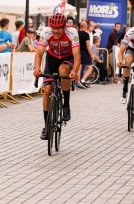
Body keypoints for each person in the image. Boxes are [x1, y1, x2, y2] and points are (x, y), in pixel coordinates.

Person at [33, 12, 81, 140]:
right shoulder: (46, 32)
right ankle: (47, 126)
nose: (56, 31)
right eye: (53, 27)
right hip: (52, 59)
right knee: (47, 90)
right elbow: (39, 53)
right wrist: (37, 68)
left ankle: (66, 105)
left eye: (59, 28)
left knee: (63, 70)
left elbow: (77, 55)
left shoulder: (72, 33)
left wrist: (75, 71)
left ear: (65, 26)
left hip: (67, 58)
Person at [77, 20, 94, 88]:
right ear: (85, 26)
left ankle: (78, 82)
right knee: (90, 67)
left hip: (77, 51)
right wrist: (91, 54)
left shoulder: (76, 33)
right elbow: (88, 45)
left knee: (79, 67)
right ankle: (83, 80)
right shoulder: (86, 34)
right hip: (84, 52)